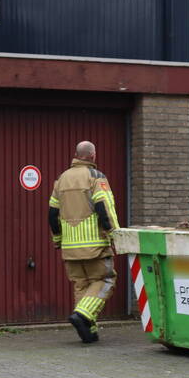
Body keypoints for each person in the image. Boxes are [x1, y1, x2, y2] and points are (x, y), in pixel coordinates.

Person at [48, 141, 120, 343]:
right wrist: (115, 235)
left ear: (76, 155)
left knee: (82, 285)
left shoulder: (61, 180)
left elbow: (52, 215)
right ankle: (82, 316)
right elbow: (105, 208)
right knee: (106, 280)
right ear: (93, 156)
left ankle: (89, 331)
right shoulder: (96, 178)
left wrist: (58, 240)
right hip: (94, 245)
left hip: (70, 247)